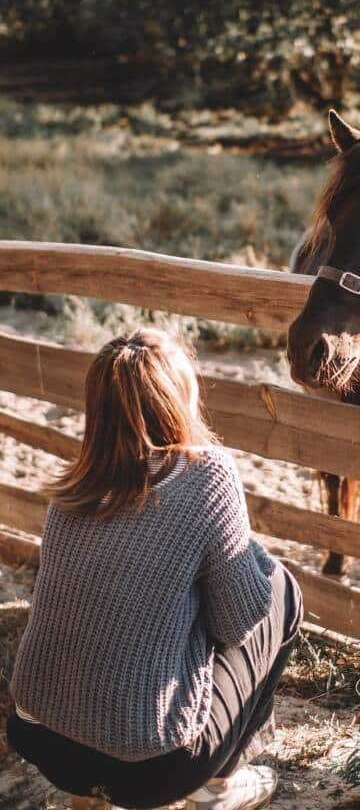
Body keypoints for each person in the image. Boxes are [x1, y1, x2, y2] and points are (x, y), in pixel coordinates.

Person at [6, 327, 303, 810]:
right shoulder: (207, 475)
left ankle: (93, 792)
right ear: (175, 400)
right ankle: (218, 782)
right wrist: (243, 550)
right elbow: (238, 623)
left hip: (45, 744)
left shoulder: (74, 487)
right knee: (282, 591)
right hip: (153, 768)